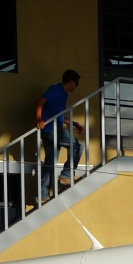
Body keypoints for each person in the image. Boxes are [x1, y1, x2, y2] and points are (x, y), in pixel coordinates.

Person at [36, 69, 83, 200]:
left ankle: (42, 195)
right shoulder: (56, 90)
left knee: (50, 162)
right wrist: (39, 119)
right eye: (77, 83)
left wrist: (74, 123)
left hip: (49, 130)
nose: (76, 86)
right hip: (52, 129)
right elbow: (40, 101)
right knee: (78, 146)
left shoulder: (61, 93)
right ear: (71, 82)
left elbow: (58, 116)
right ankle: (66, 175)